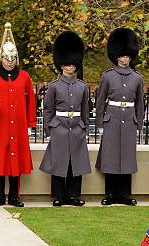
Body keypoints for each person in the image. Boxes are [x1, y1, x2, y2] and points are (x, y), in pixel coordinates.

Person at [0, 22, 37, 207]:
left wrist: (30, 124)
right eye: (6, 58)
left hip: (18, 125)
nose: (9, 62)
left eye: (12, 58)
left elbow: (31, 102)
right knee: (0, 161)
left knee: (15, 161)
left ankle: (14, 195)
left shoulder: (25, 77)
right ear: (1, 58)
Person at [39, 31, 91, 207]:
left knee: (75, 164)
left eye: (73, 64)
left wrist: (85, 128)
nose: (70, 67)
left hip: (77, 127)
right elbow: (48, 109)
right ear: (61, 66)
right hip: (59, 127)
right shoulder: (54, 87)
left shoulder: (83, 87)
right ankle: (59, 195)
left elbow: (85, 110)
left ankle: (73, 195)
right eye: (67, 64)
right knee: (59, 164)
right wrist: (49, 129)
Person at [95, 28, 144, 206]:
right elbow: (100, 101)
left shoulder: (137, 78)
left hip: (130, 120)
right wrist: (100, 123)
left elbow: (140, 103)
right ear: (116, 56)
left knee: (127, 157)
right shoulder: (107, 77)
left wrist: (139, 124)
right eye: (122, 55)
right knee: (111, 156)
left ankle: (125, 194)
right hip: (112, 119)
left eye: (127, 56)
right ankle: (110, 193)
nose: (125, 58)